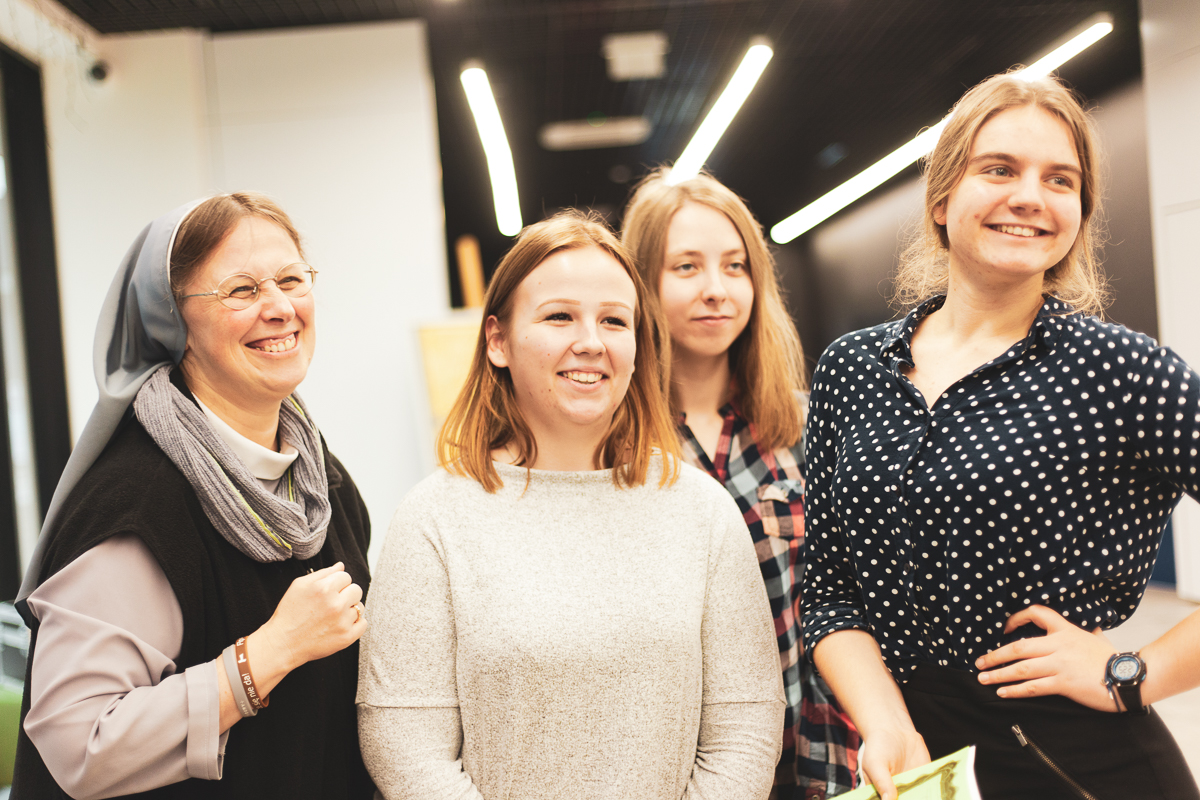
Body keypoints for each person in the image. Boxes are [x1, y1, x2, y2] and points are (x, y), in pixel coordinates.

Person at [800, 70, 1200, 800]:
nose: (1030, 196)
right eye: (999, 169)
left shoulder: (1120, 371)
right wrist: (887, 724)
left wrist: (1133, 672)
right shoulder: (851, 370)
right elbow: (829, 591)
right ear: (942, 198)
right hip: (916, 762)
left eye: (1060, 180)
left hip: (1078, 763)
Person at [357, 211, 784, 800]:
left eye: (614, 320)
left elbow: (746, 726)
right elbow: (403, 739)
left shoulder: (702, 512)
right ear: (498, 341)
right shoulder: (434, 517)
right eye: (559, 316)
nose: (591, 342)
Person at [12, 193, 374, 800]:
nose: (280, 308)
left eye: (291, 280)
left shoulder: (323, 480)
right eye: (242, 290)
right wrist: (270, 652)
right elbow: (80, 745)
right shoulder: (137, 503)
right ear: (171, 322)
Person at [622, 169, 860, 798]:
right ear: (641, 282)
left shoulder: (805, 426)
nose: (716, 290)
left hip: (814, 755)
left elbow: (848, 598)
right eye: (686, 267)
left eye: (735, 267)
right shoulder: (613, 447)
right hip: (677, 770)